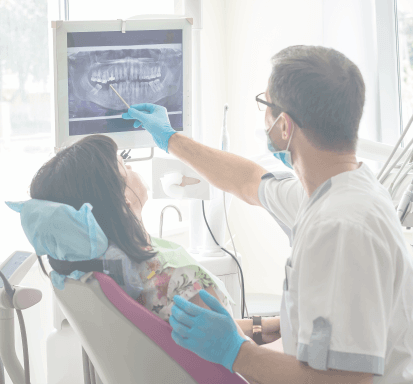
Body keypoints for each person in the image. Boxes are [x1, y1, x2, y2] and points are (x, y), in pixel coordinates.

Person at [122, 45, 413, 384]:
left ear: (284, 126)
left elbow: (345, 380)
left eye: (265, 104)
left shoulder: (340, 226)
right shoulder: (336, 190)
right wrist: (171, 140)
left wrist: (237, 352)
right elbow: (247, 180)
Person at [29, 134, 282, 344]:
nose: (131, 167)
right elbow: (245, 359)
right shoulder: (175, 278)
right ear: (122, 200)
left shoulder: (119, 273)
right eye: (123, 165)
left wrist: (266, 326)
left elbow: (199, 329)